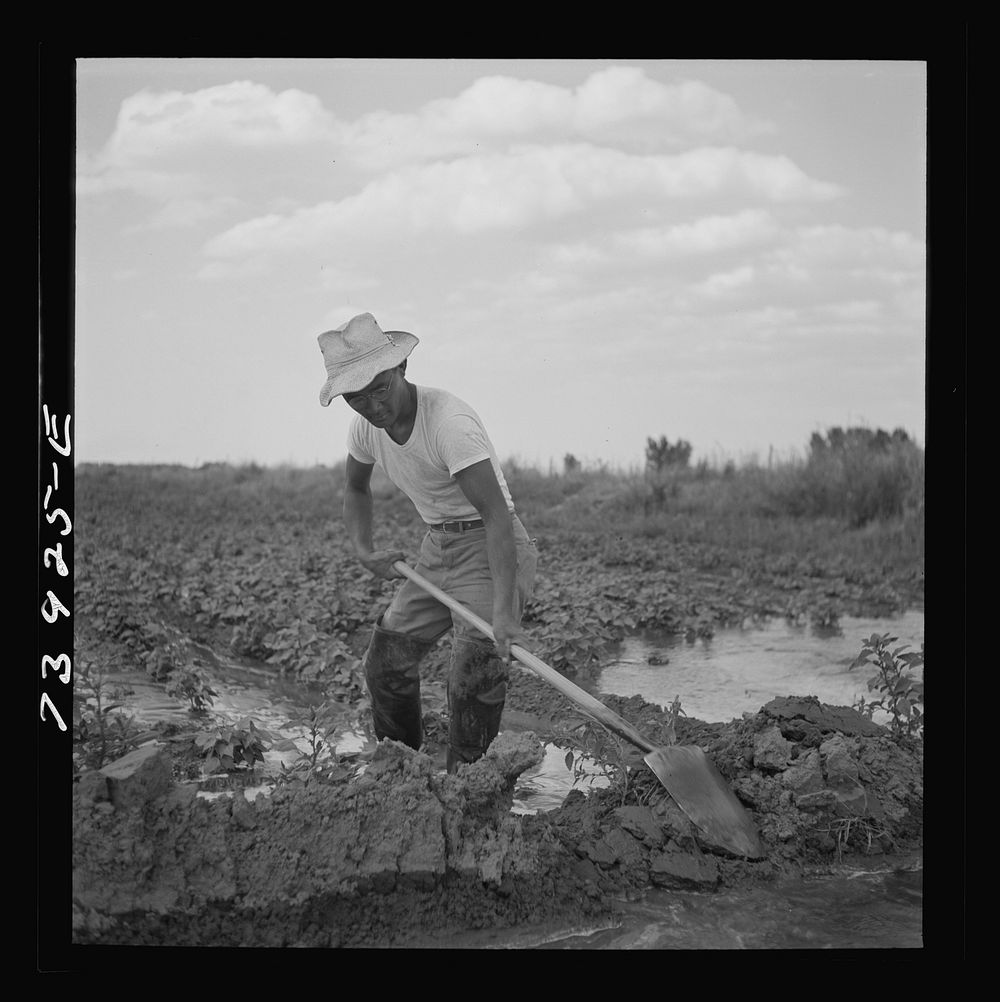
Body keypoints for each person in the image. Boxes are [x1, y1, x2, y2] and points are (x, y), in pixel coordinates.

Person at [317, 312, 538, 772]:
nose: (373, 406)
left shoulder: (448, 423)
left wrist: (501, 611)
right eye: (358, 399)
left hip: (490, 544)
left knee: (473, 677)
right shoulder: (365, 429)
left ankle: (468, 786)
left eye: (380, 389)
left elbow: (495, 515)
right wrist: (362, 549)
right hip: (437, 548)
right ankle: (402, 769)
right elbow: (355, 488)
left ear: (400, 370)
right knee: (386, 663)